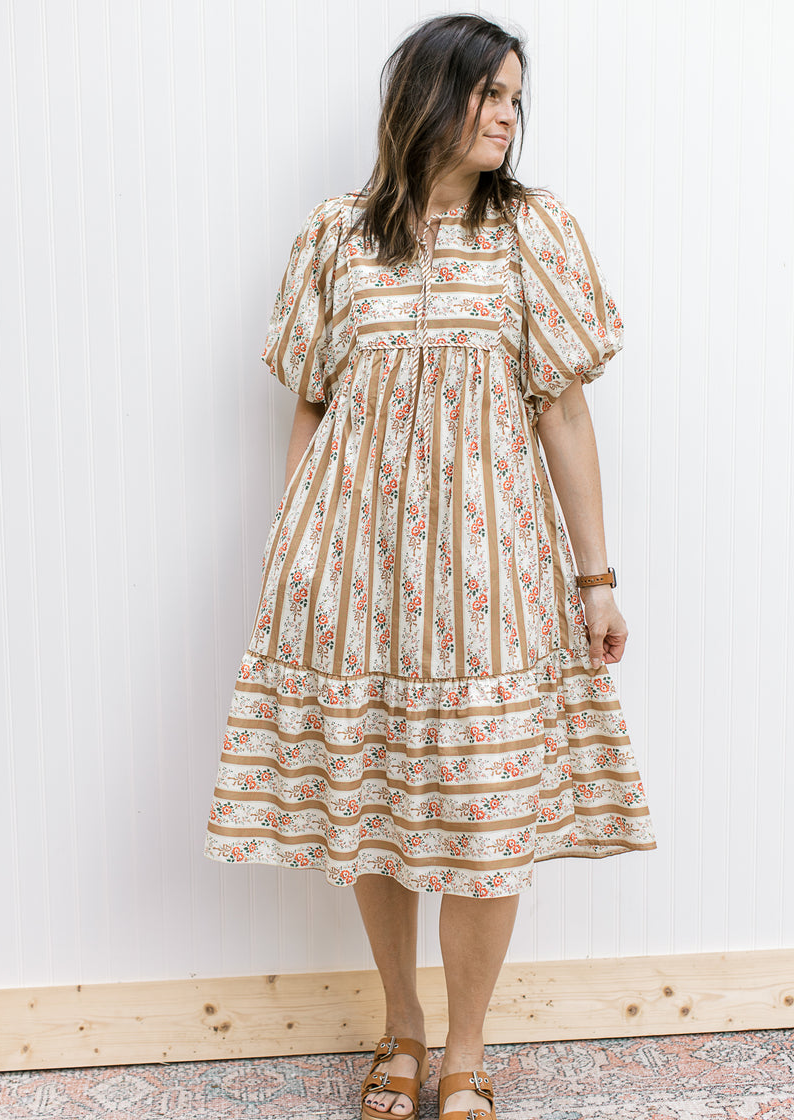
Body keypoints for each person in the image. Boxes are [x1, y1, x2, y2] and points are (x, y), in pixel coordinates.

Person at [204, 13, 656, 1120]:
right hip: (351, 568)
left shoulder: (531, 234)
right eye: (486, 95)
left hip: (491, 572)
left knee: (484, 807)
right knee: (374, 799)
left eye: (515, 98)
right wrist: (292, 551)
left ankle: (463, 1051)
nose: (505, 116)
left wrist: (595, 577)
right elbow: (309, 399)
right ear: (423, 98)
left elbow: (562, 412)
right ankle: (397, 1030)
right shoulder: (337, 237)